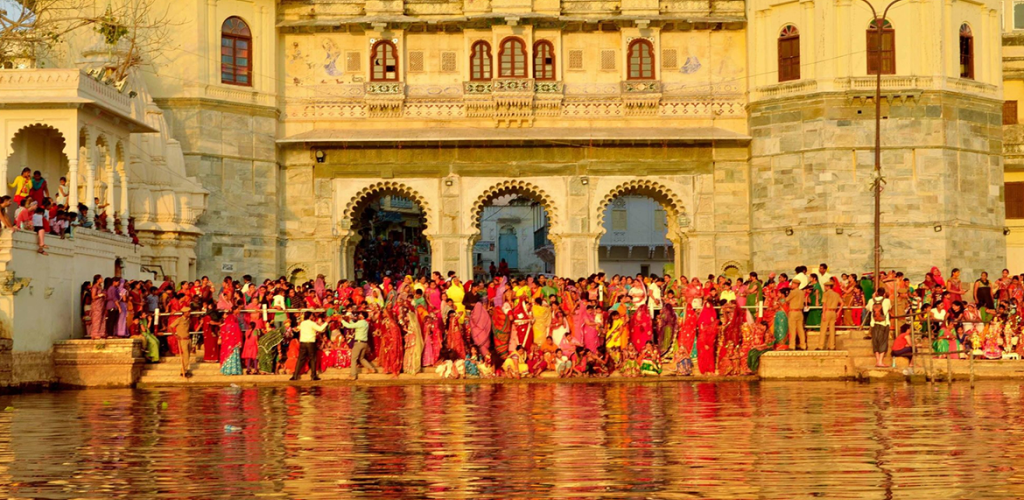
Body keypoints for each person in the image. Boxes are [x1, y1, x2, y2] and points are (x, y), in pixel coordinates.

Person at [291, 312, 327, 381]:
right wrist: (326, 323)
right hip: (310, 342)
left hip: (303, 342)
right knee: (312, 359)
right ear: (310, 316)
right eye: (312, 316)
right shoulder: (312, 323)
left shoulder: (302, 323)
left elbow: (297, 329)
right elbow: (320, 329)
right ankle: (313, 376)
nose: (313, 317)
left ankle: (295, 375)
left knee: (301, 359)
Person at [344, 311, 378, 379]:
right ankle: (371, 369)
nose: (359, 315)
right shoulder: (365, 323)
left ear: (362, 316)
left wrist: (341, 320)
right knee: (361, 358)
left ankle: (353, 375)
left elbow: (349, 326)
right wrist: (350, 320)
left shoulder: (360, 323)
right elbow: (355, 324)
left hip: (358, 343)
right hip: (364, 343)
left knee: (353, 359)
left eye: (360, 314)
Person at [867, 290, 891, 368]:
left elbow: (868, 308)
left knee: (875, 342)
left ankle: (877, 360)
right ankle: (880, 361)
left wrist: (873, 297)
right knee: (883, 342)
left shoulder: (871, 300)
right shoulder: (887, 300)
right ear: (884, 293)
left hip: (874, 324)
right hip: (884, 323)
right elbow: (889, 308)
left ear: (876, 293)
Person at [818, 281, 842, 350]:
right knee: (832, 330)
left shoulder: (826, 294)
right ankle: (832, 346)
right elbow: (842, 303)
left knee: (823, 329)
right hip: (833, 312)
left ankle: (821, 346)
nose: (824, 287)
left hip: (827, 311)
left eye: (825, 286)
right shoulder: (836, 294)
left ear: (828, 287)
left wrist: (824, 313)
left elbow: (824, 304)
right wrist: (838, 312)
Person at [170, 306, 192, 377]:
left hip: (188, 339)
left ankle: (185, 369)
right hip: (182, 340)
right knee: (185, 355)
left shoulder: (188, 320)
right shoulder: (179, 320)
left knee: (188, 355)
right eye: (188, 312)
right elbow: (171, 327)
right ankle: (183, 371)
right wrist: (175, 335)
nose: (189, 313)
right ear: (185, 313)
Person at [785, 281, 806, 350]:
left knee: (792, 329)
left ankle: (792, 345)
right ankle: (803, 345)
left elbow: (787, 300)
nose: (791, 285)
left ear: (796, 285)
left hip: (793, 311)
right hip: (800, 312)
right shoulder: (802, 292)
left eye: (793, 284)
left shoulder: (793, 292)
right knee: (800, 329)